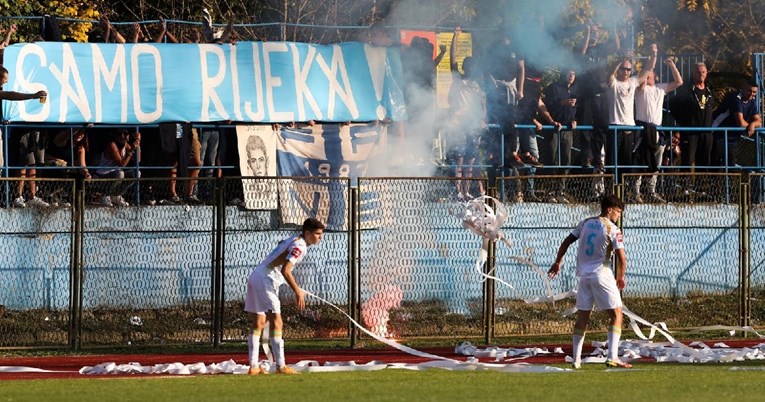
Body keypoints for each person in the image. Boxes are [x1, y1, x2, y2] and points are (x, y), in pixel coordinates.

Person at [547, 194, 631, 369]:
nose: (619, 216)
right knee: (616, 315)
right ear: (609, 210)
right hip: (602, 274)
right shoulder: (613, 229)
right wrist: (621, 277)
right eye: (618, 212)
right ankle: (613, 356)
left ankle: (576, 360)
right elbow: (622, 258)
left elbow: (567, 241)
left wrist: (558, 262)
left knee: (583, 317)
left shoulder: (585, 223)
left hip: (584, 278)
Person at [245, 217, 326, 375]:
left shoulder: (294, 239)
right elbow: (286, 270)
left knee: (259, 323)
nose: (320, 237)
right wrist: (297, 291)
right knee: (277, 322)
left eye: (321, 234)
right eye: (317, 234)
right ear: (307, 233)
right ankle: (281, 366)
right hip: (265, 281)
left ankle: (253, 366)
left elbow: (280, 247)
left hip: (256, 276)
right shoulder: (300, 246)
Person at [632, 48, 684, 203]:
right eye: (647, 74)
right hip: (642, 128)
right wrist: (652, 58)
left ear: (656, 77)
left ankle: (651, 190)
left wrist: (671, 64)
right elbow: (646, 72)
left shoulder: (660, 88)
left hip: (657, 129)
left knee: (657, 160)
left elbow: (679, 82)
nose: (649, 76)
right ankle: (636, 192)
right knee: (641, 159)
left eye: (651, 74)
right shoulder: (640, 89)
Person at [448, 27, 486, 199]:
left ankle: (467, 190)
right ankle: (457, 190)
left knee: (471, 158)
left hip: (473, 124)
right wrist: (455, 38)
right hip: (460, 123)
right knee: (460, 158)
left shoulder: (477, 84)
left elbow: (483, 103)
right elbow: (453, 59)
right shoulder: (459, 78)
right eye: (467, 66)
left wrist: (483, 118)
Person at [1, 65, 48, 204]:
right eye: (4, 79)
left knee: (5, 164)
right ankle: (16, 196)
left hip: (31, 128)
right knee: (17, 163)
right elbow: (10, 95)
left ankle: (32, 196)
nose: (5, 82)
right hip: (16, 130)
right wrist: (32, 96)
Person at [543, 68, 579, 203]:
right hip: (553, 128)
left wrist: (575, 121)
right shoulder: (553, 88)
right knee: (551, 160)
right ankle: (549, 191)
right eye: (569, 72)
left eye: (573, 73)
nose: (571, 76)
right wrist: (562, 103)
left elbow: (577, 110)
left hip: (567, 129)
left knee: (566, 160)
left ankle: (560, 191)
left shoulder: (575, 90)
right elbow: (547, 106)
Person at [712, 80, 761, 167]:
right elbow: (740, 122)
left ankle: (730, 180)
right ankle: (710, 180)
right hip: (717, 134)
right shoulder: (735, 98)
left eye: (754, 92)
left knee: (731, 166)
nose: (751, 94)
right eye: (749, 91)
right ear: (743, 89)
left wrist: (752, 125)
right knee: (715, 165)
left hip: (732, 138)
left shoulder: (752, 101)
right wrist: (750, 126)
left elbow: (759, 121)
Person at [93, 129, 141, 207]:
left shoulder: (125, 145)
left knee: (137, 173)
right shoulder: (112, 145)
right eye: (124, 134)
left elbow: (138, 159)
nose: (127, 136)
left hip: (116, 174)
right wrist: (132, 149)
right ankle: (105, 195)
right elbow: (121, 164)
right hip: (103, 174)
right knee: (120, 173)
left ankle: (116, 195)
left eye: (127, 134)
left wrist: (138, 143)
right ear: (118, 136)